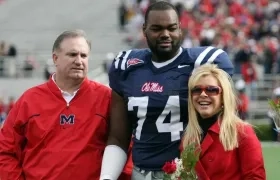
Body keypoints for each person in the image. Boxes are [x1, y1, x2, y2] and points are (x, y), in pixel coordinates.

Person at [100, 1, 234, 180]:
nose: (165, 34)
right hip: (141, 172)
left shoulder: (202, 62)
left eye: (171, 28)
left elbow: (225, 119)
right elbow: (118, 136)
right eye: (157, 29)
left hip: (186, 172)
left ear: (180, 28)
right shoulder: (127, 66)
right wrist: (107, 177)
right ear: (144, 29)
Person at [0, 30, 130, 180]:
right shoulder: (29, 100)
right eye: (72, 55)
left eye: (84, 55)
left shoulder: (108, 98)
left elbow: (127, 146)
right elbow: (5, 150)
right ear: (55, 58)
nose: (79, 61)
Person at [182, 64, 266, 179]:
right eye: (196, 90)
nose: (203, 94)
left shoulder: (242, 132)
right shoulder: (187, 138)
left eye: (211, 90)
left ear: (223, 97)